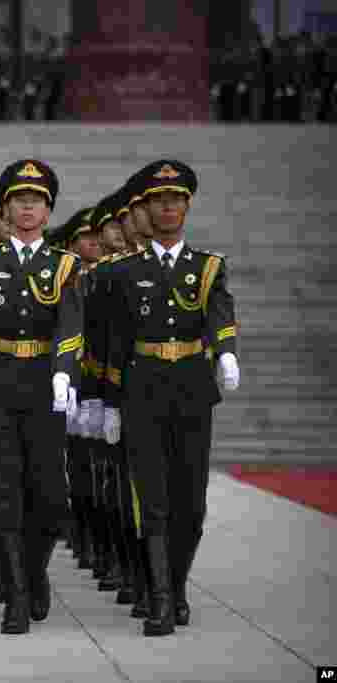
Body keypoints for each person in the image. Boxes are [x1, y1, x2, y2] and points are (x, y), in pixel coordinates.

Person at [103, 160, 240, 636]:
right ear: (146, 207)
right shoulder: (123, 271)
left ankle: (176, 587)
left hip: (192, 389)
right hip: (142, 389)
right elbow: (112, 338)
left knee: (192, 506)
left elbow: (220, 312)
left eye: (176, 199)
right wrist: (106, 400)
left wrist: (225, 353)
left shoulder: (207, 267)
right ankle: (161, 601)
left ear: (186, 205)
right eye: (159, 200)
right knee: (153, 501)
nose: (168, 207)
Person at [0, 159, 83, 635]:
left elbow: (71, 323)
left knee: (50, 496)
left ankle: (33, 570)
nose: (28, 208)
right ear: (7, 210)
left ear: (47, 212)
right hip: (0, 382)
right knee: (3, 490)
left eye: (36, 201)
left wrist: (66, 373)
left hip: (47, 386)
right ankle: (16, 595)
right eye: (19, 200)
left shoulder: (65, 266)